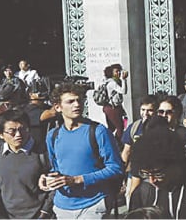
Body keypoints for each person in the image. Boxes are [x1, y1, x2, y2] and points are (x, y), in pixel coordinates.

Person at [40, 82, 125, 218]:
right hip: (62, 207)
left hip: (93, 204)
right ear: (58, 107)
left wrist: (79, 179)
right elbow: (55, 168)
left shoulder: (98, 131)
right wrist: (46, 178)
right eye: (70, 101)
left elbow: (116, 168)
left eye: (79, 100)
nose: (77, 104)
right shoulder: (53, 135)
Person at [0, 109, 53, 218]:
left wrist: (45, 212)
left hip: (40, 216)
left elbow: (56, 184)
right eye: (12, 131)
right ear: (1, 134)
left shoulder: (43, 152)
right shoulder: (0, 154)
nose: (18, 134)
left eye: (23, 129)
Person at [101, 63, 128, 143]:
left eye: (119, 71)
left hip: (112, 107)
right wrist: (124, 80)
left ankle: (107, 141)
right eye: (116, 71)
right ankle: (117, 144)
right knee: (120, 127)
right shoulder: (112, 83)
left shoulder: (112, 81)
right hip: (112, 108)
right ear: (111, 73)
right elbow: (124, 91)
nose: (119, 73)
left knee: (112, 128)